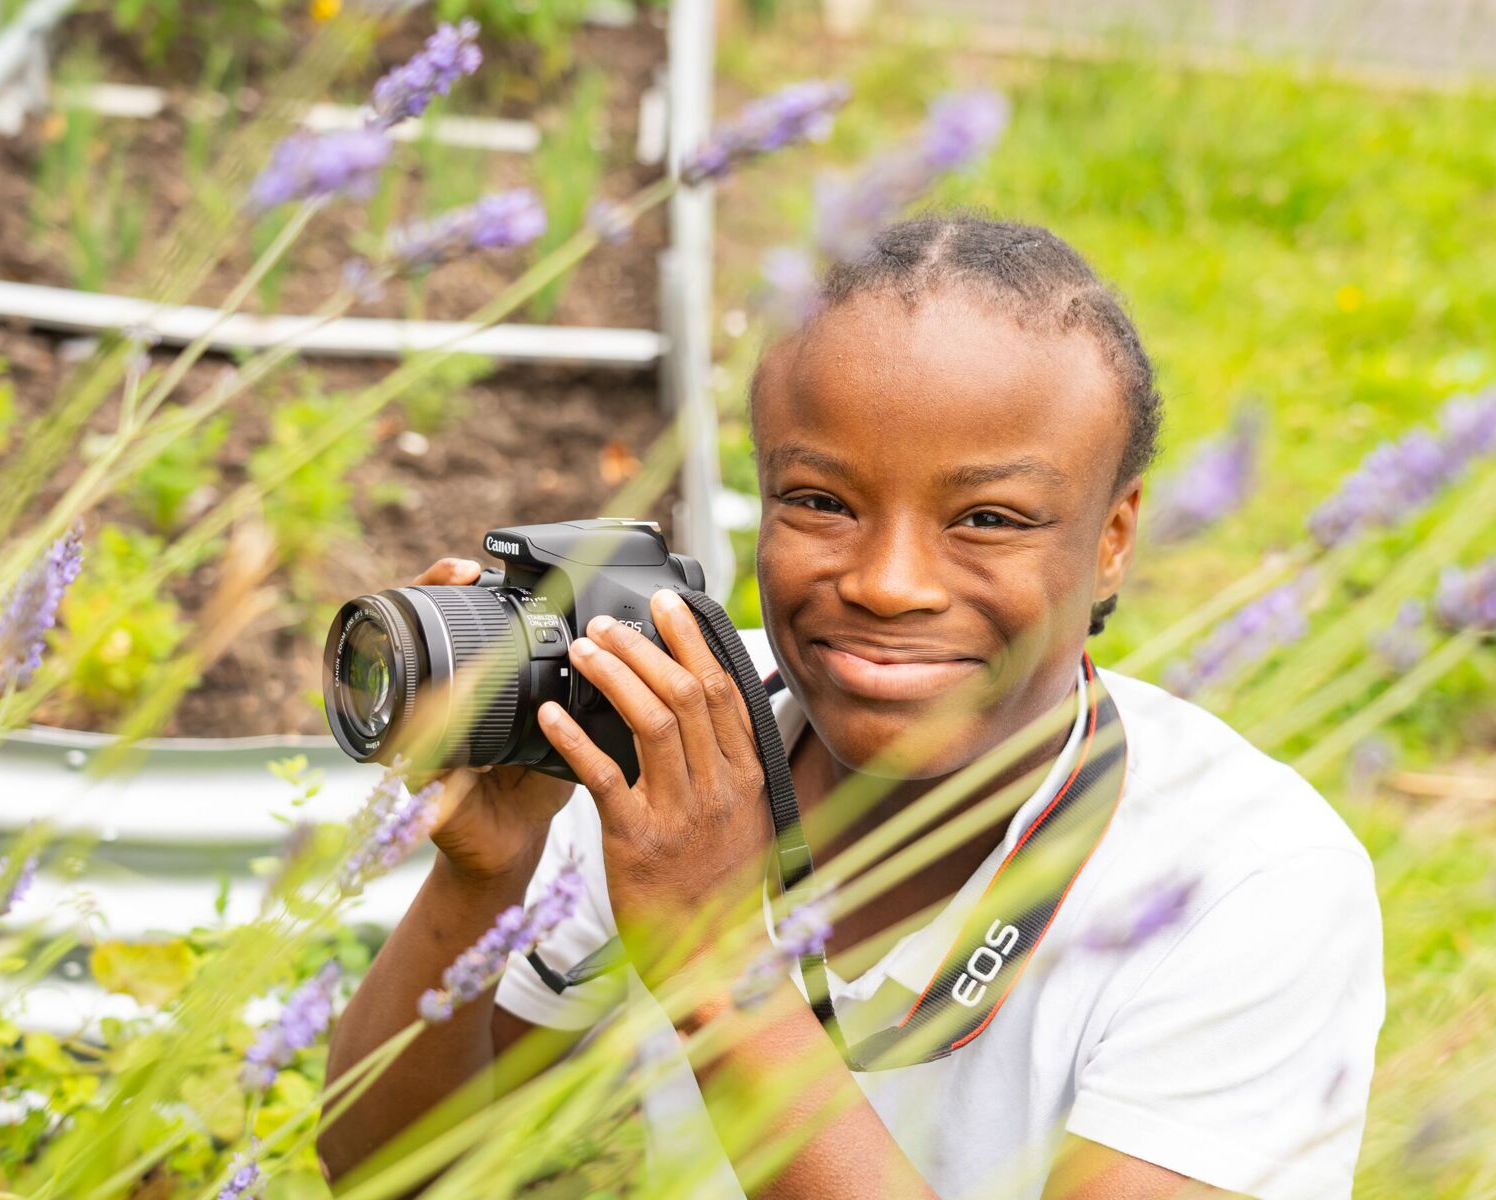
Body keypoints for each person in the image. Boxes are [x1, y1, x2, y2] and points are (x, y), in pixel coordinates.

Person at [318, 213, 1385, 1199]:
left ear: (1111, 539)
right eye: (820, 501)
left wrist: (716, 960)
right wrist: (483, 878)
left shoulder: (1250, 883)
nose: (885, 581)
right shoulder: (674, 736)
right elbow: (399, 1177)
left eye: (988, 518)